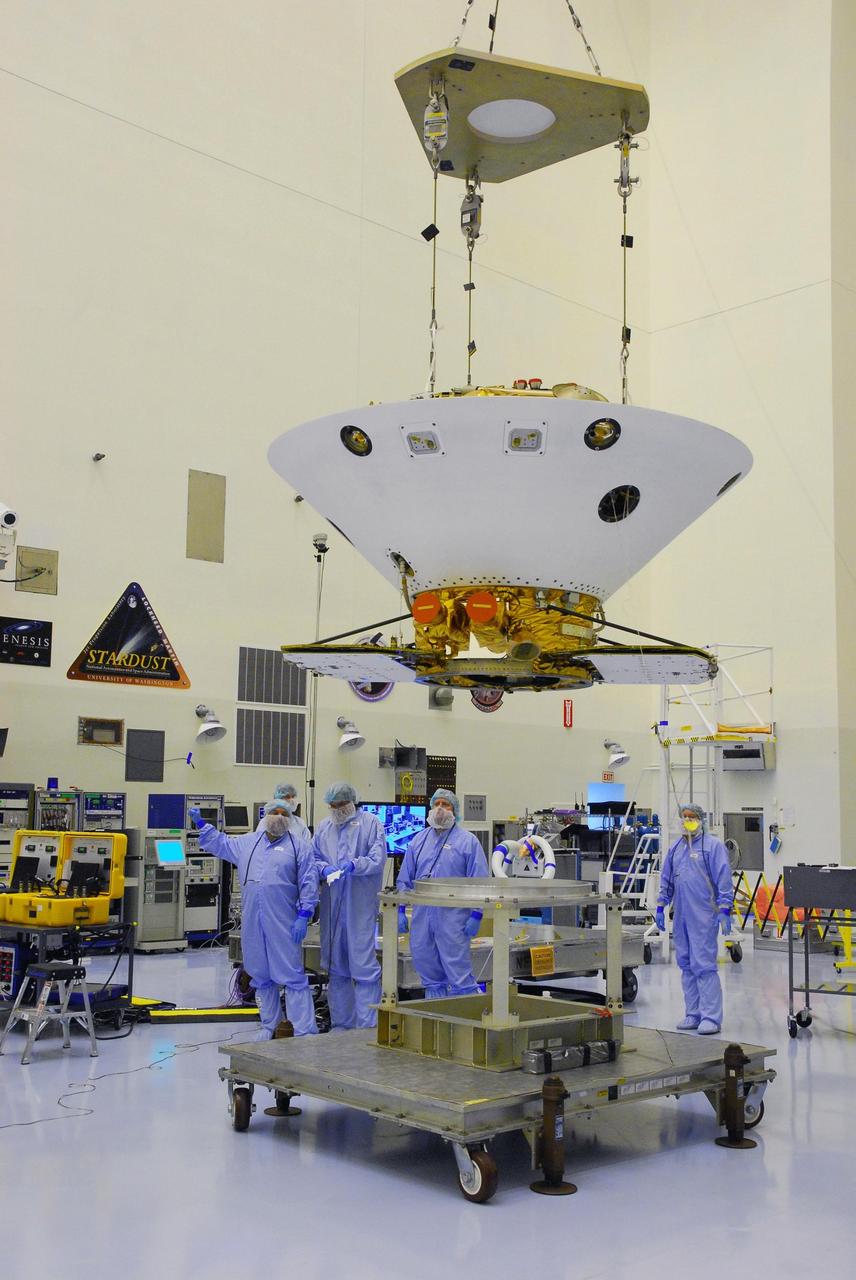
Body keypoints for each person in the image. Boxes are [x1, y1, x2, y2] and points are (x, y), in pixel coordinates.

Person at [189, 798, 318, 1038]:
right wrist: (201, 824)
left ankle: (304, 1031)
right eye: (274, 812)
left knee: (290, 975)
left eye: (283, 813)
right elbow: (222, 844)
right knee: (260, 973)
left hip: (284, 921)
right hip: (252, 920)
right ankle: (270, 1025)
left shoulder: (299, 847)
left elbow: (309, 882)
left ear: (289, 819)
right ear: (265, 816)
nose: (278, 816)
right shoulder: (248, 843)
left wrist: (304, 913)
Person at [396, 789, 489, 999]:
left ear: (454, 810)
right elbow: (404, 879)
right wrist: (401, 909)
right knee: (428, 971)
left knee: (458, 972)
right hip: (422, 918)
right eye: (436, 803)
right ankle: (435, 1021)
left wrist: (476, 914)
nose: (439, 809)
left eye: (445, 805)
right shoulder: (418, 841)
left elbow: (480, 882)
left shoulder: (468, 842)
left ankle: (465, 1022)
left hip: (453, 919)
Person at [311, 782, 386, 1029]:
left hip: (359, 907)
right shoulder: (324, 828)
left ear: (352, 802)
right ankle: (342, 1025)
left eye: (341, 804)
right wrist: (324, 868)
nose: (336, 809)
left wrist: (356, 865)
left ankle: (367, 1027)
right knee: (337, 968)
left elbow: (377, 859)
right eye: (332, 805)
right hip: (332, 909)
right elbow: (313, 859)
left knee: (363, 968)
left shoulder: (371, 824)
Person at [654, 803, 733, 1034]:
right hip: (682, 916)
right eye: (684, 817)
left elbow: (723, 878)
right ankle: (693, 1013)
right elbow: (667, 879)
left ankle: (711, 1017)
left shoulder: (713, 847)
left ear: (701, 820)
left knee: (704, 965)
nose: (688, 820)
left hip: (704, 915)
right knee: (686, 964)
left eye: (692, 817)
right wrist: (661, 906)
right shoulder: (676, 848)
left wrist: (725, 909)